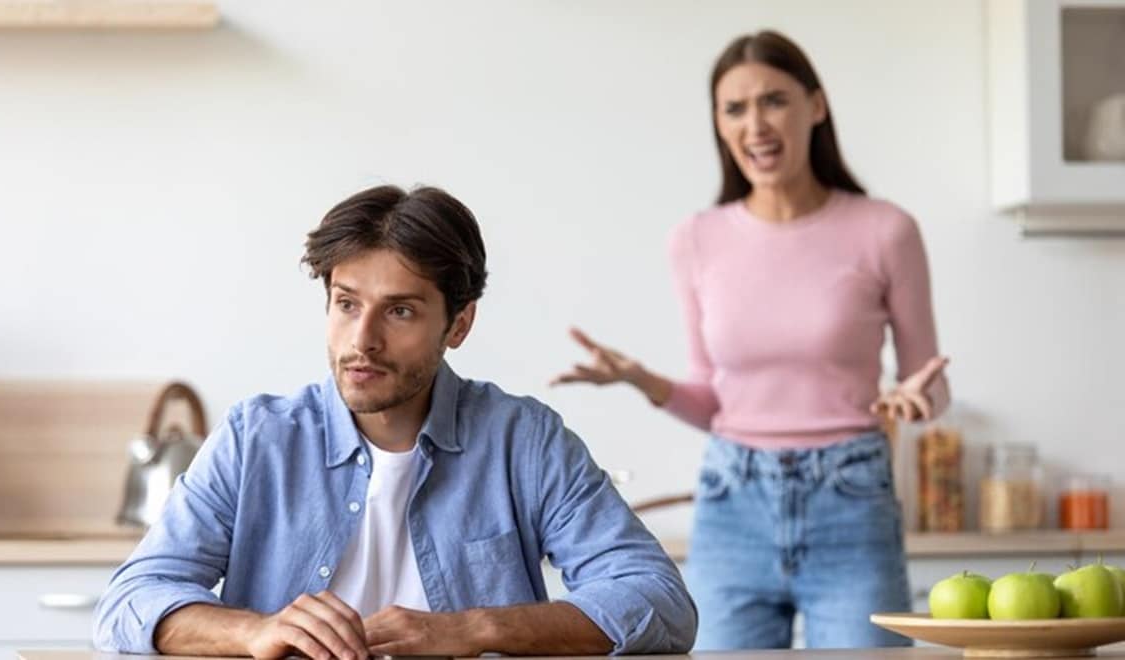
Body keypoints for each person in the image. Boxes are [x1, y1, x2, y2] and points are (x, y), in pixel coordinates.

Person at [93, 185, 697, 658]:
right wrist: (255, 631)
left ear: (458, 324)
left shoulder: (524, 441)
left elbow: (658, 600)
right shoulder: (257, 439)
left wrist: (473, 629)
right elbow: (130, 602)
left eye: (400, 311)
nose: (364, 341)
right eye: (346, 304)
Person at [552, 30, 949, 650]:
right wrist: (640, 380)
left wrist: (917, 398)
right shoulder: (696, 239)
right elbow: (715, 402)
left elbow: (931, 378)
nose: (755, 124)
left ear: (815, 106)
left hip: (852, 500)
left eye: (774, 100)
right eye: (734, 108)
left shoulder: (886, 230)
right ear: (719, 123)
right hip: (731, 505)